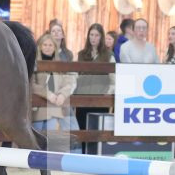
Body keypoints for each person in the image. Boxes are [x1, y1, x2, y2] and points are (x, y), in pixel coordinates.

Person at [74, 23, 114, 155]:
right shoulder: (81, 54)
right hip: (82, 99)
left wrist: (107, 94)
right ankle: (82, 157)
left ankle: (95, 158)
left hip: (99, 100)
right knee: (82, 130)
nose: (93, 38)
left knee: (96, 132)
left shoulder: (108, 55)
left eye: (96, 35)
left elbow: (114, 79)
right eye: (91, 35)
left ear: (101, 37)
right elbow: (75, 76)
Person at [32, 33, 76, 148]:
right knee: (35, 141)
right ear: (40, 46)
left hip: (54, 108)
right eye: (45, 45)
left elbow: (68, 82)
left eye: (50, 45)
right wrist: (47, 94)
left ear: (55, 48)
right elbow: (31, 84)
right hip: (37, 109)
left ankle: (48, 158)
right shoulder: (34, 63)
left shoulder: (60, 64)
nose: (47, 47)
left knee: (50, 140)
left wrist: (62, 94)